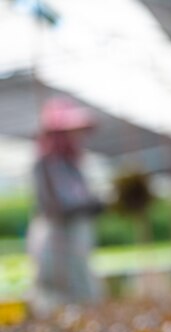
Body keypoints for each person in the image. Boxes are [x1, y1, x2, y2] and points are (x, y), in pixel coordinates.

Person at [27, 97, 104, 313]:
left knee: (82, 292)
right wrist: (86, 205)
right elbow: (52, 206)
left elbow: (80, 199)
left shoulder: (73, 166)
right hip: (56, 240)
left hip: (75, 240)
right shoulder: (44, 165)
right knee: (56, 298)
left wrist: (94, 204)